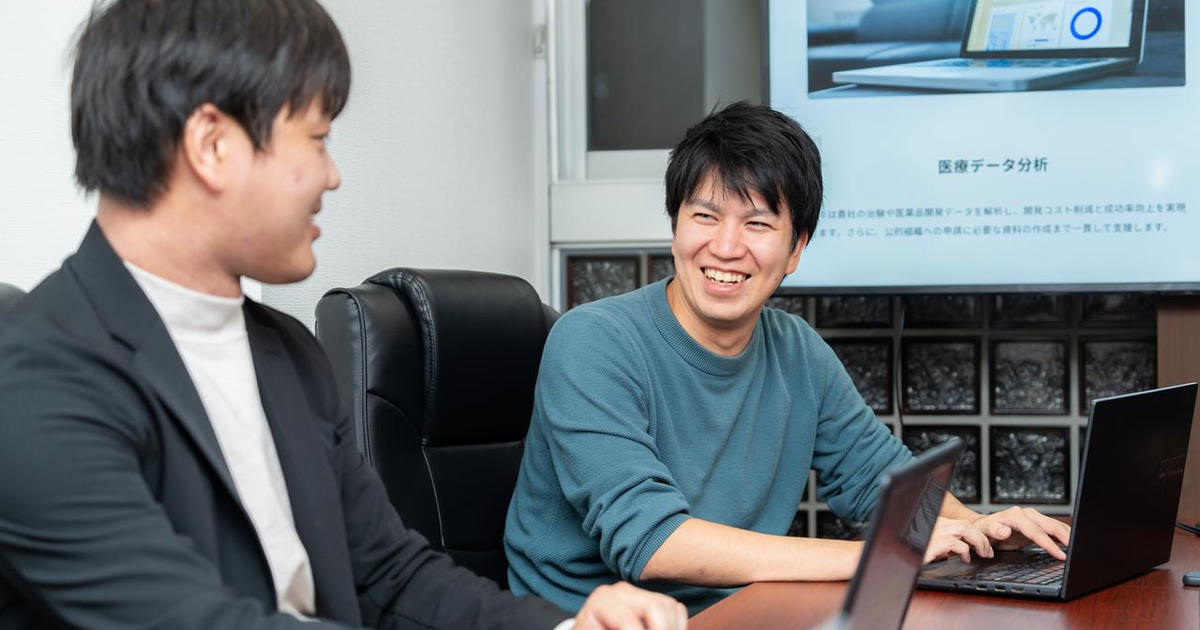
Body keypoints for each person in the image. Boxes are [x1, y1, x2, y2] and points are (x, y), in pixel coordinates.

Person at [0, 1, 687, 629]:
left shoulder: (285, 353)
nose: (331, 176)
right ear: (212, 145)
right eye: (318, 138)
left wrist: (566, 629)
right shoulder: (36, 382)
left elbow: (391, 575)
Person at [503, 102, 1073, 613]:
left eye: (757, 224)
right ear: (675, 226)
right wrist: (882, 553)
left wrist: (982, 528)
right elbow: (652, 542)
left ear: (796, 248)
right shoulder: (593, 342)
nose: (726, 247)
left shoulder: (796, 350)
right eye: (705, 217)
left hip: (743, 612)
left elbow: (879, 480)